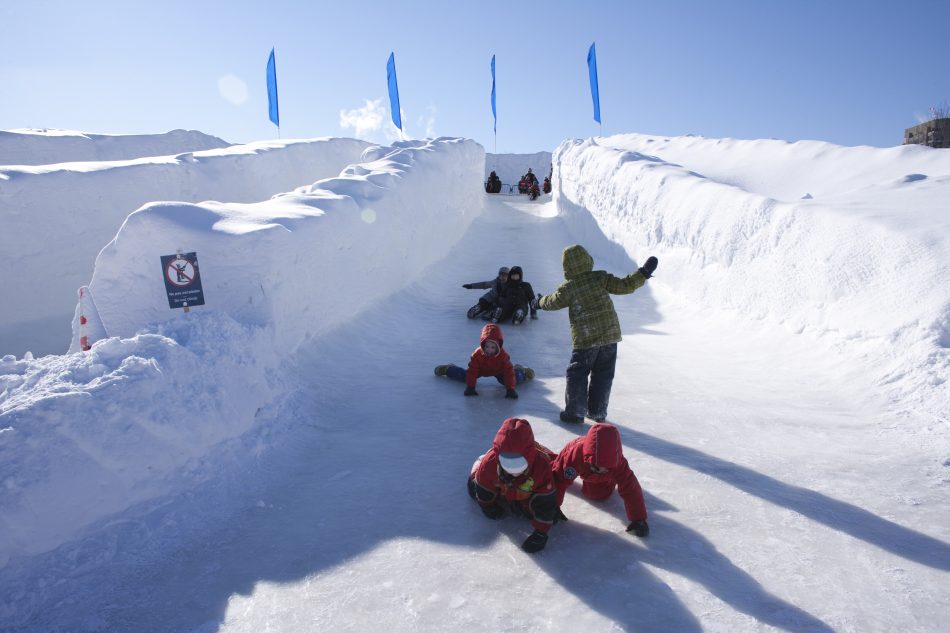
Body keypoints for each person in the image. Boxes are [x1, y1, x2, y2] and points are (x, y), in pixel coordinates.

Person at [538, 245, 658, 423]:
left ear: (567, 267)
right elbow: (624, 285)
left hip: (586, 339)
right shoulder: (600, 278)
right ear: (588, 260)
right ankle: (598, 411)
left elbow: (552, 302)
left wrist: (538, 302)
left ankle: (575, 411)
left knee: (577, 373)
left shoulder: (569, 288)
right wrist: (643, 273)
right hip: (610, 334)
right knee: (603, 374)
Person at [467, 417, 559, 553]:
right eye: (507, 463)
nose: (512, 470)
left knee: (548, 515)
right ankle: (478, 463)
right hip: (503, 488)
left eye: (518, 464)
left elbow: (545, 499)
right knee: (473, 488)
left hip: (523, 492)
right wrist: (486, 505)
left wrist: (541, 532)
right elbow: (484, 485)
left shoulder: (541, 466)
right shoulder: (491, 463)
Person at [548, 423, 650, 537]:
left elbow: (631, 488)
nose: (600, 471)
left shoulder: (619, 463)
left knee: (597, 494)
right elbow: (559, 479)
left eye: (605, 469)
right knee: (552, 469)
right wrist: (553, 505)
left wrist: (639, 519)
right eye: (596, 468)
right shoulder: (575, 455)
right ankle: (545, 455)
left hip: (594, 471)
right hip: (577, 459)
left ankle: (608, 479)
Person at [434, 323, 534, 398]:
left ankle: (521, 370)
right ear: (483, 344)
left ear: (498, 346)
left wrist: (510, 389)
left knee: (512, 379)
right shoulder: (477, 354)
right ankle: (448, 369)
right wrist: (471, 387)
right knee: (466, 376)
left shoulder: (503, 356)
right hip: (481, 369)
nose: (489, 350)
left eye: (493, 347)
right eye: (487, 346)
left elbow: (508, 372)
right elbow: (472, 371)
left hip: (498, 370)